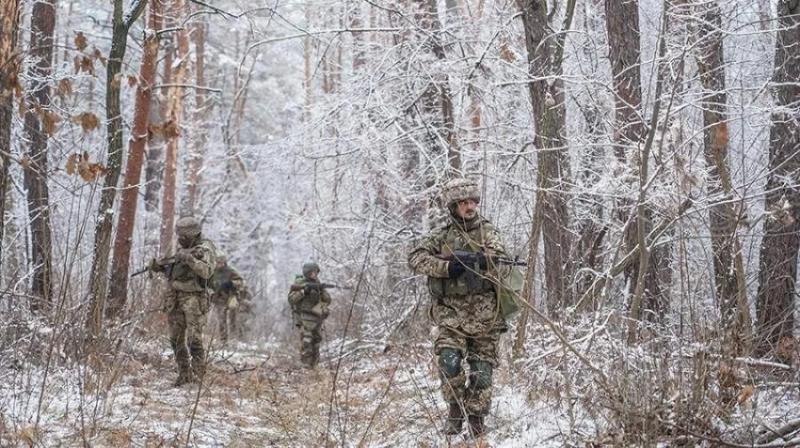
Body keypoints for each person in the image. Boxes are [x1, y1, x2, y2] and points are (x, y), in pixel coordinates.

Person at [407, 178, 510, 437]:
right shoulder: (442, 234)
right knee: (449, 361)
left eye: (472, 201)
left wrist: (488, 262)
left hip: (486, 315)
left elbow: (502, 259)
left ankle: (476, 419)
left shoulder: (488, 231)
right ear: (453, 206)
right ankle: (454, 409)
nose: (469, 207)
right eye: (463, 203)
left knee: (482, 370)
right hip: (450, 315)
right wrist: (445, 268)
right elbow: (415, 257)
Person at [149, 216, 216, 386]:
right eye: (179, 235)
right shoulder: (178, 247)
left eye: (184, 236)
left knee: (194, 339)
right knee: (175, 338)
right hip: (175, 297)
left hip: (195, 298)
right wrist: (159, 266)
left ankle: (199, 377)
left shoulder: (205, 248)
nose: (180, 239)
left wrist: (190, 259)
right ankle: (184, 374)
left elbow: (206, 272)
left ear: (193, 235)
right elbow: (172, 270)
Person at [287, 262, 331, 368]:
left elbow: (328, 300)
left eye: (316, 272)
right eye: (312, 272)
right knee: (307, 339)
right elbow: (291, 300)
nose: (314, 274)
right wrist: (303, 292)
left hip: (316, 317)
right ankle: (306, 364)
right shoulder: (299, 283)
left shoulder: (317, 283)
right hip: (303, 316)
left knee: (316, 340)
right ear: (307, 273)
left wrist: (321, 290)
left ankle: (314, 365)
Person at [209, 254, 245, 343]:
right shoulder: (213, 272)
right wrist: (211, 293)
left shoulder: (231, 271)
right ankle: (223, 341)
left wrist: (231, 283)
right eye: (217, 262)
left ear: (224, 263)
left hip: (231, 297)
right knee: (221, 320)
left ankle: (234, 338)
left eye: (220, 263)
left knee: (233, 319)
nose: (218, 264)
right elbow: (208, 284)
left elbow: (240, 282)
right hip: (219, 299)